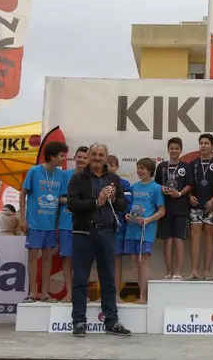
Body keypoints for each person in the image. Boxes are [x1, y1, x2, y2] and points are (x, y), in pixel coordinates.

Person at [67, 143, 131, 337]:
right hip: (83, 234)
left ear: (106, 158)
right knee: (80, 279)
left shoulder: (114, 179)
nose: (96, 157)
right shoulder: (78, 178)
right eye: (93, 154)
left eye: (100, 154)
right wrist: (97, 202)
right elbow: (72, 205)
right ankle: (79, 321)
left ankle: (111, 321)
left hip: (107, 233)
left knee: (109, 279)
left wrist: (112, 199)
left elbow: (122, 205)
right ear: (88, 156)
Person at [20, 141, 69, 303]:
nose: (63, 159)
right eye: (61, 156)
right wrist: (22, 218)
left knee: (48, 256)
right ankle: (32, 292)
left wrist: (75, 202)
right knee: (34, 256)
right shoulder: (35, 171)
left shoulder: (61, 174)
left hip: (51, 223)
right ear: (53, 156)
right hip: (34, 222)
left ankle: (45, 292)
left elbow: (61, 198)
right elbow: (23, 193)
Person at [124, 158, 165, 304]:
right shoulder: (134, 187)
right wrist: (127, 216)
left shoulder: (156, 188)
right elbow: (129, 208)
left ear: (150, 171)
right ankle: (141, 293)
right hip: (131, 229)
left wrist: (147, 220)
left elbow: (161, 211)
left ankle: (144, 296)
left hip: (146, 231)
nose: (139, 171)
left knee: (144, 262)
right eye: (138, 167)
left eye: (142, 168)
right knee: (135, 262)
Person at [155, 137, 191, 280]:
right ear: (168, 149)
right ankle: (168, 271)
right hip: (165, 208)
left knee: (179, 239)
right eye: (172, 148)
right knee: (167, 240)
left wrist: (180, 193)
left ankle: (178, 271)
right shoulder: (162, 166)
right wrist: (161, 190)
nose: (174, 151)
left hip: (181, 207)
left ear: (181, 150)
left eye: (177, 148)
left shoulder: (185, 166)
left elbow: (190, 184)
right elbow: (156, 186)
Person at [57, 146, 88, 302]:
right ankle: (69, 293)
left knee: (83, 261)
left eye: (85, 157)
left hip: (85, 225)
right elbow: (59, 198)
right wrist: (76, 202)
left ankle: (81, 294)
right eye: (79, 157)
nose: (82, 160)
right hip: (66, 223)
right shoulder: (64, 176)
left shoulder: (91, 177)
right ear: (74, 158)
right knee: (67, 258)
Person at [187, 133, 213, 281]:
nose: (203, 145)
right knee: (195, 237)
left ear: (212, 146)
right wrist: (189, 196)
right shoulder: (193, 163)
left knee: (210, 237)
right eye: (201, 143)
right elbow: (188, 185)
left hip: (211, 206)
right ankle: (194, 271)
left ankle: (207, 271)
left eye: (206, 143)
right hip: (195, 206)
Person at [107, 154, 132, 303]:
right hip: (100, 227)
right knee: (102, 261)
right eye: (107, 164)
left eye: (112, 165)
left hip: (118, 227)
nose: (109, 167)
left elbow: (127, 204)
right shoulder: (96, 181)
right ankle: (104, 295)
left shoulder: (124, 183)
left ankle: (116, 295)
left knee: (116, 261)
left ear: (117, 167)